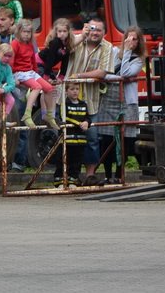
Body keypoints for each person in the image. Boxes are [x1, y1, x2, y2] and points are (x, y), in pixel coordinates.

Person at [64, 17, 113, 182]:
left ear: (104, 32)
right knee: (66, 137)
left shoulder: (107, 47)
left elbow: (103, 72)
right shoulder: (78, 40)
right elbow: (65, 48)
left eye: (99, 29)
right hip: (67, 98)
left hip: (90, 100)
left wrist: (79, 76)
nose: (95, 32)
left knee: (92, 138)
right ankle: (67, 175)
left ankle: (90, 175)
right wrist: (80, 36)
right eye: (92, 28)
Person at [98, 26, 146, 184]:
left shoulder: (138, 59)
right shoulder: (112, 53)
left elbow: (125, 73)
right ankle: (107, 174)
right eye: (128, 38)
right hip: (110, 97)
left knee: (126, 138)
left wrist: (126, 52)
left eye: (134, 39)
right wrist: (113, 77)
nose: (130, 41)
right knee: (107, 136)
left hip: (127, 99)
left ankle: (120, 174)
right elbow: (105, 73)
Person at [11, 18, 57, 130]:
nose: (26, 35)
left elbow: (33, 62)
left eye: (29, 32)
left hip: (30, 72)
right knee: (37, 87)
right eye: (24, 32)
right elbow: (11, 62)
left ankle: (49, 114)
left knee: (49, 88)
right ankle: (27, 115)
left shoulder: (30, 45)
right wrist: (12, 77)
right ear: (19, 32)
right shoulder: (15, 44)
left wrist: (37, 74)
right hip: (19, 72)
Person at [53, 82, 90, 188]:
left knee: (77, 161)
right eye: (72, 89)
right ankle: (59, 181)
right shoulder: (64, 105)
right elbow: (64, 118)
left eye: (77, 89)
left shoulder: (83, 104)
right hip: (67, 139)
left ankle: (73, 180)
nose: (75, 91)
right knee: (62, 160)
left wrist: (87, 122)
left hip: (80, 140)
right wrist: (79, 124)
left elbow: (88, 117)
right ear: (66, 91)